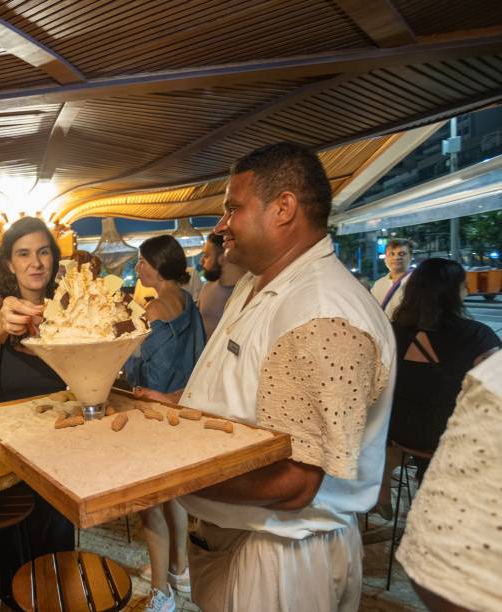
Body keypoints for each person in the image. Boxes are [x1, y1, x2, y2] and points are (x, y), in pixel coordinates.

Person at [137, 143, 396, 612]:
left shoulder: (320, 311)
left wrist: (163, 479)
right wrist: (176, 401)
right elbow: (242, 387)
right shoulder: (263, 284)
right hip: (249, 544)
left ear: (284, 208)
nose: (222, 226)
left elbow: (294, 482)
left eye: (233, 208)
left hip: (283, 558)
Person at [0, 216, 75, 608]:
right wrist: (6, 318)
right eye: (23, 254)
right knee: (7, 534)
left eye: (43, 251)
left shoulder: (67, 304)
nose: (35, 262)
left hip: (58, 437)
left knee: (54, 535)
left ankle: (53, 597)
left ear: (52, 258)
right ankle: (10, 600)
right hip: (8, 444)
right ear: (8, 264)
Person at [374, 258, 500, 515]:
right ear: (452, 292)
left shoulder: (388, 330)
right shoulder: (476, 335)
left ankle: (388, 496)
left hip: (398, 430)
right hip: (448, 436)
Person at [123, 235, 205, 608]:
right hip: (180, 407)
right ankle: (180, 567)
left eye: (142, 262)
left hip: (152, 407)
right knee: (176, 492)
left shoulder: (154, 309)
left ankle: (161, 593)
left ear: (157, 266)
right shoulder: (187, 300)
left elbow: (133, 360)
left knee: (150, 502)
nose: (138, 268)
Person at [397, 349, 502, 612]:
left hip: (402, 433)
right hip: (436, 435)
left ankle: (383, 493)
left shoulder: (398, 330)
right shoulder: (475, 335)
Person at [197, 232, 246, 340]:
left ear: (224, 257)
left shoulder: (249, 292)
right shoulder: (206, 289)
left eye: (206, 256)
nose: (201, 261)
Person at [370, 238, 413, 318]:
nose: (396, 257)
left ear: (411, 257)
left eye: (402, 254)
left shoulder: (418, 281)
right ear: (385, 259)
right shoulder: (378, 285)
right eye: (392, 254)